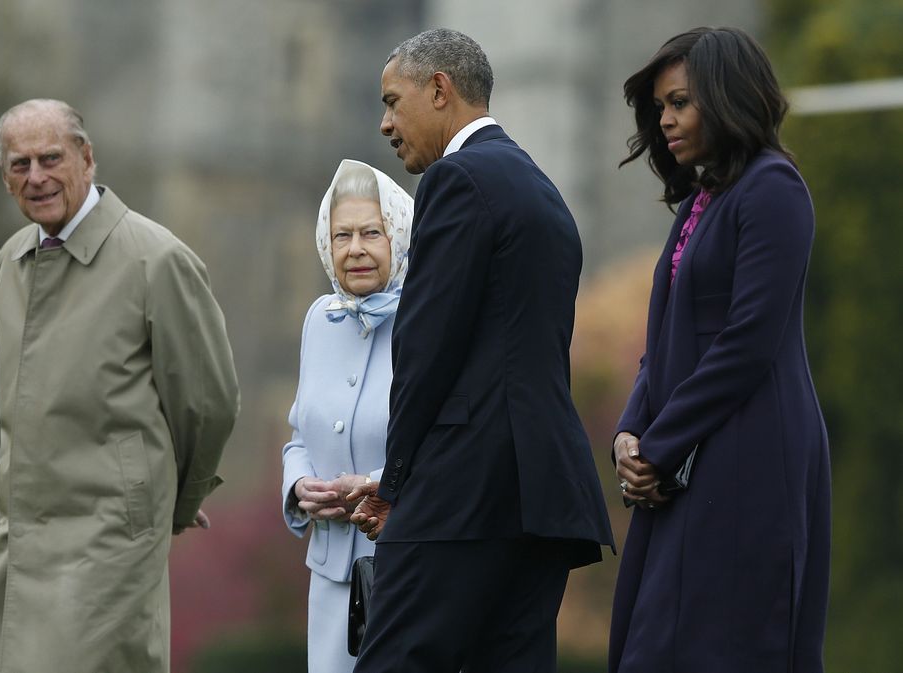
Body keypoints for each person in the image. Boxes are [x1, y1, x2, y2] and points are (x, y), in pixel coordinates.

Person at [0, 99, 240, 673]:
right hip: (16, 536)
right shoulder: (12, 261)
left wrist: (180, 499)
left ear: (87, 158)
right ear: (5, 179)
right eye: (20, 165)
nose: (38, 177)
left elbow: (209, 401)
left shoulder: (157, 258)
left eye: (51, 158)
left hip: (107, 543)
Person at [345, 28, 615, 673]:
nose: (384, 124)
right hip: (541, 496)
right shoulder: (539, 187)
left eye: (392, 101)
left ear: (439, 90)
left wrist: (395, 481)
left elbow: (427, 347)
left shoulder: (458, 179)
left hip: (463, 493)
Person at [609, 27, 831, 673]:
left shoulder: (773, 190)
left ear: (728, 97)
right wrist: (630, 430)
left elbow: (747, 342)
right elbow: (667, 339)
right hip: (684, 458)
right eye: (659, 107)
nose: (666, 119)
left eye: (680, 102)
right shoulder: (704, 199)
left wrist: (658, 445)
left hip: (748, 458)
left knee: (724, 647)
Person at [281, 159, 413, 673]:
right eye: (341, 236)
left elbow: (446, 443)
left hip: (402, 567)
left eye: (371, 233)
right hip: (331, 572)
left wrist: (377, 484)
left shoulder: (426, 321)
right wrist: (298, 487)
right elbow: (299, 436)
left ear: (398, 237)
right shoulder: (320, 318)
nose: (355, 249)